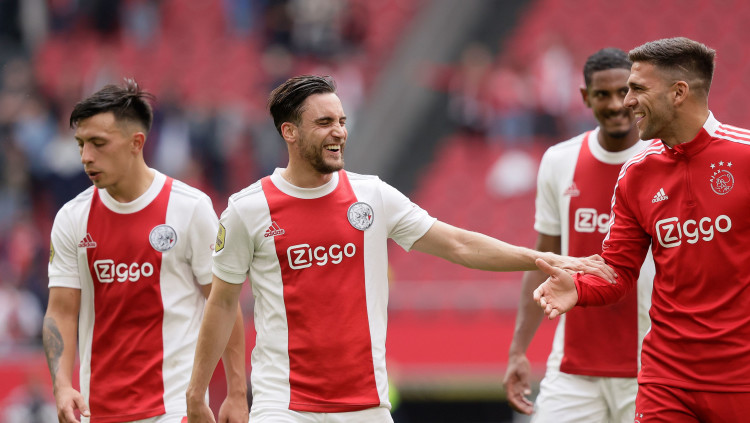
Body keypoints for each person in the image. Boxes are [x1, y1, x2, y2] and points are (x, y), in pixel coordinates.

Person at [184, 74, 615, 423]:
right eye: (324, 123)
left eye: (342, 120)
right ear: (290, 132)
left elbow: (460, 244)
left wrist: (543, 258)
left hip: (366, 404)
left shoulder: (373, 196)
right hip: (284, 404)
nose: (339, 132)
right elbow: (222, 304)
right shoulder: (248, 210)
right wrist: (202, 393)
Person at [534, 37, 750, 422]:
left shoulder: (745, 157)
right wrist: (579, 288)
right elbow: (619, 270)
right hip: (665, 380)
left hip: (741, 378)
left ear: (678, 92)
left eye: (637, 89)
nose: (627, 101)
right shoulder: (636, 174)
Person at [43, 79, 249, 423]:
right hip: (99, 412)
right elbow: (61, 311)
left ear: (136, 143)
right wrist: (62, 385)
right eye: (80, 144)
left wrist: (237, 393)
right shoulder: (72, 218)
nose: (86, 156)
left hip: (174, 409)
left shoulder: (190, 208)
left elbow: (224, 303)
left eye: (98, 143)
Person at [503, 48, 656, 422]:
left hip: (651, 365)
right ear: (586, 97)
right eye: (603, 94)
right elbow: (542, 260)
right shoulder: (559, 160)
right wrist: (518, 350)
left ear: (637, 93)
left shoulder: (663, 160)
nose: (615, 104)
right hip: (573, 368)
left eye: (623, 92)